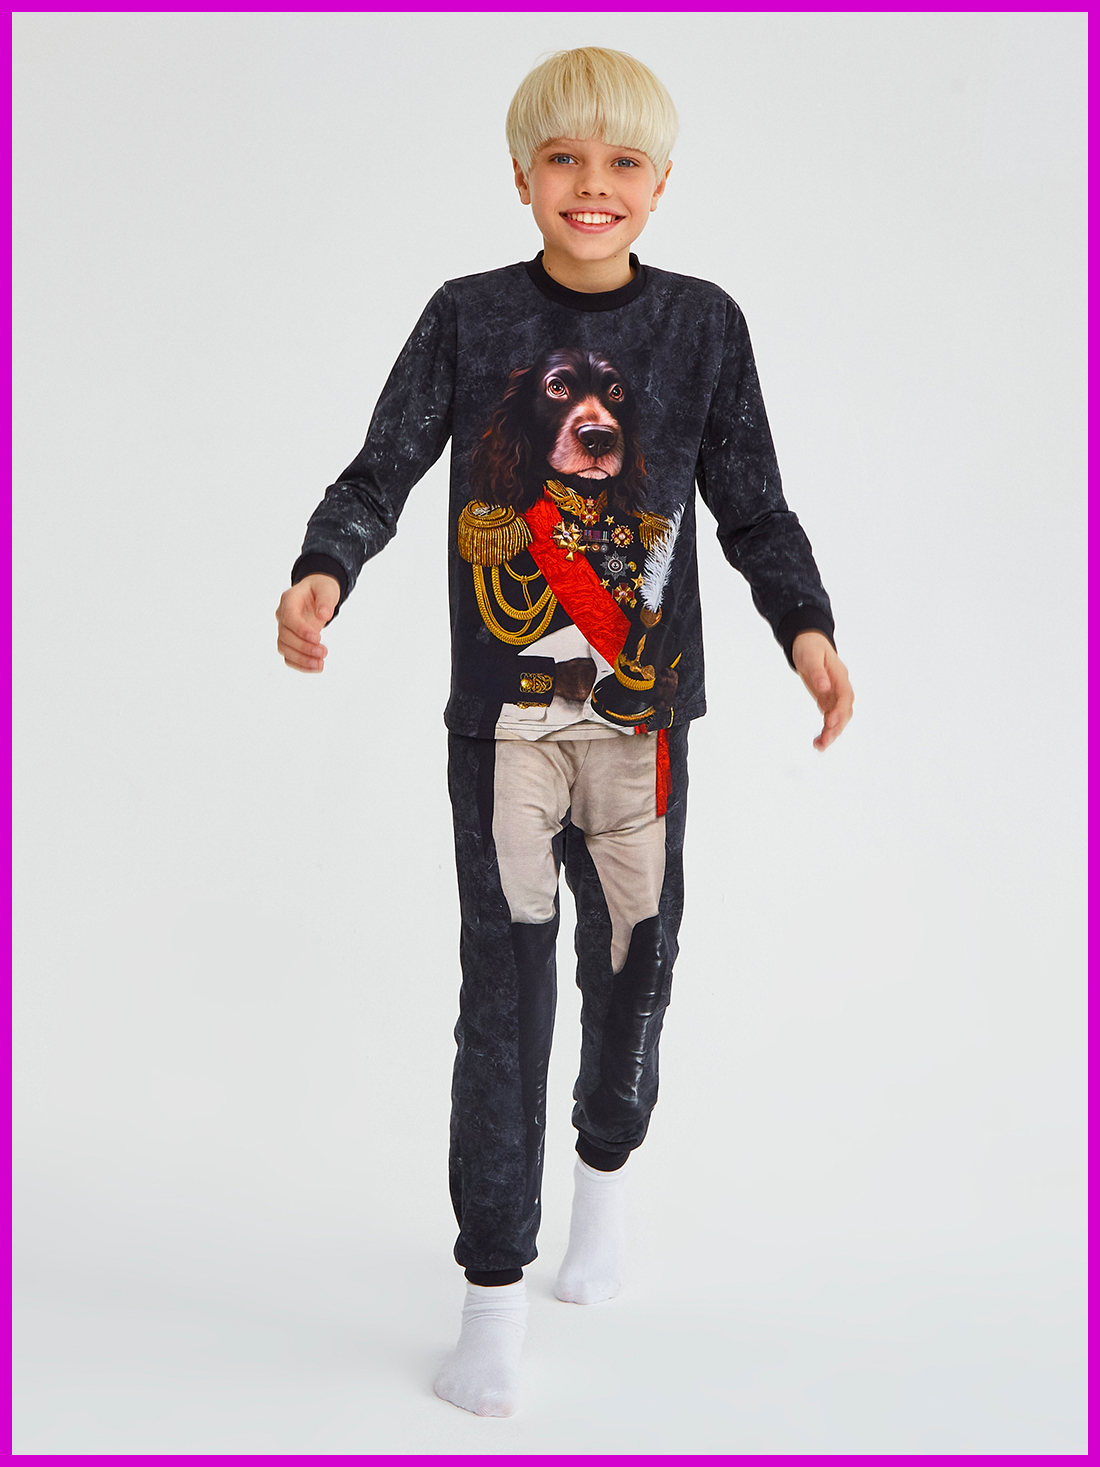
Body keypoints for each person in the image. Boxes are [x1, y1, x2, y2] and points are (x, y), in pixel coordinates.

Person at [275, 45, 854, 1418]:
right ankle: (492, 1293)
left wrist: (806, 628)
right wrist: (325, 567)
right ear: (523, 175)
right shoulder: (469, 318)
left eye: (622, 162)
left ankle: (603, 1181)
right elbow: (384, 466)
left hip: (643, 725)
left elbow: (752, 505)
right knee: (505, 997)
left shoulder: (702, 326)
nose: (593, 186)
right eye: (564, 159)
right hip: (506, 731)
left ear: (661, 183)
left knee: (633, 977)